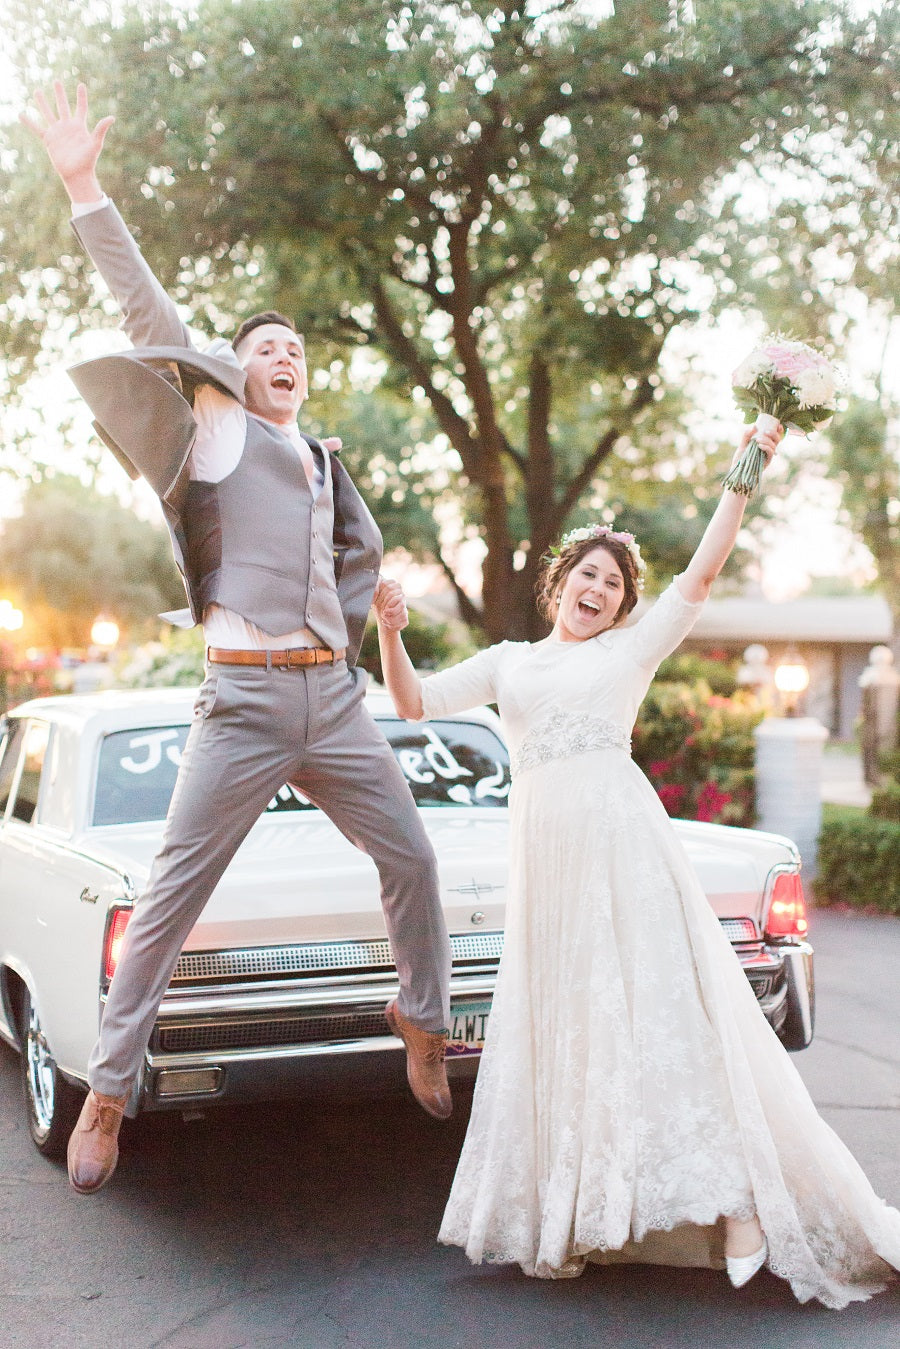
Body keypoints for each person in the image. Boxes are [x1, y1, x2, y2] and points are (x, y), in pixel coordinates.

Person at [21, 82, 454, 1195]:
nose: (284, 353)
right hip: (246, 700)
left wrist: (367, 624)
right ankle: (109, 1093)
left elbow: (349, 558)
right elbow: (150, 317)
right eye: (264, 345)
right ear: (233, 368)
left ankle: (421, 1013)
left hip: (335, 699)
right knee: (171, 895)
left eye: (296, 345)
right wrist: (83, 185)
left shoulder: (323, 462)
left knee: (412, 855)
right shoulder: (217, 432)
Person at [373, 425, 900, 1308]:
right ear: (560, 582)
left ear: (623, 607)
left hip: (624, 850)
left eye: (614, 584)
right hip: (548, 868)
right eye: (588, 573)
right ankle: (582, 1205)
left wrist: (750, 462)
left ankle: (742, 1204)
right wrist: (390, 630)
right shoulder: (510, 664)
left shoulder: (630, 653)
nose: (598, 588)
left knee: (667, 1023)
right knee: (580, 1029)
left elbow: (699, 574)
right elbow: (413, 700)